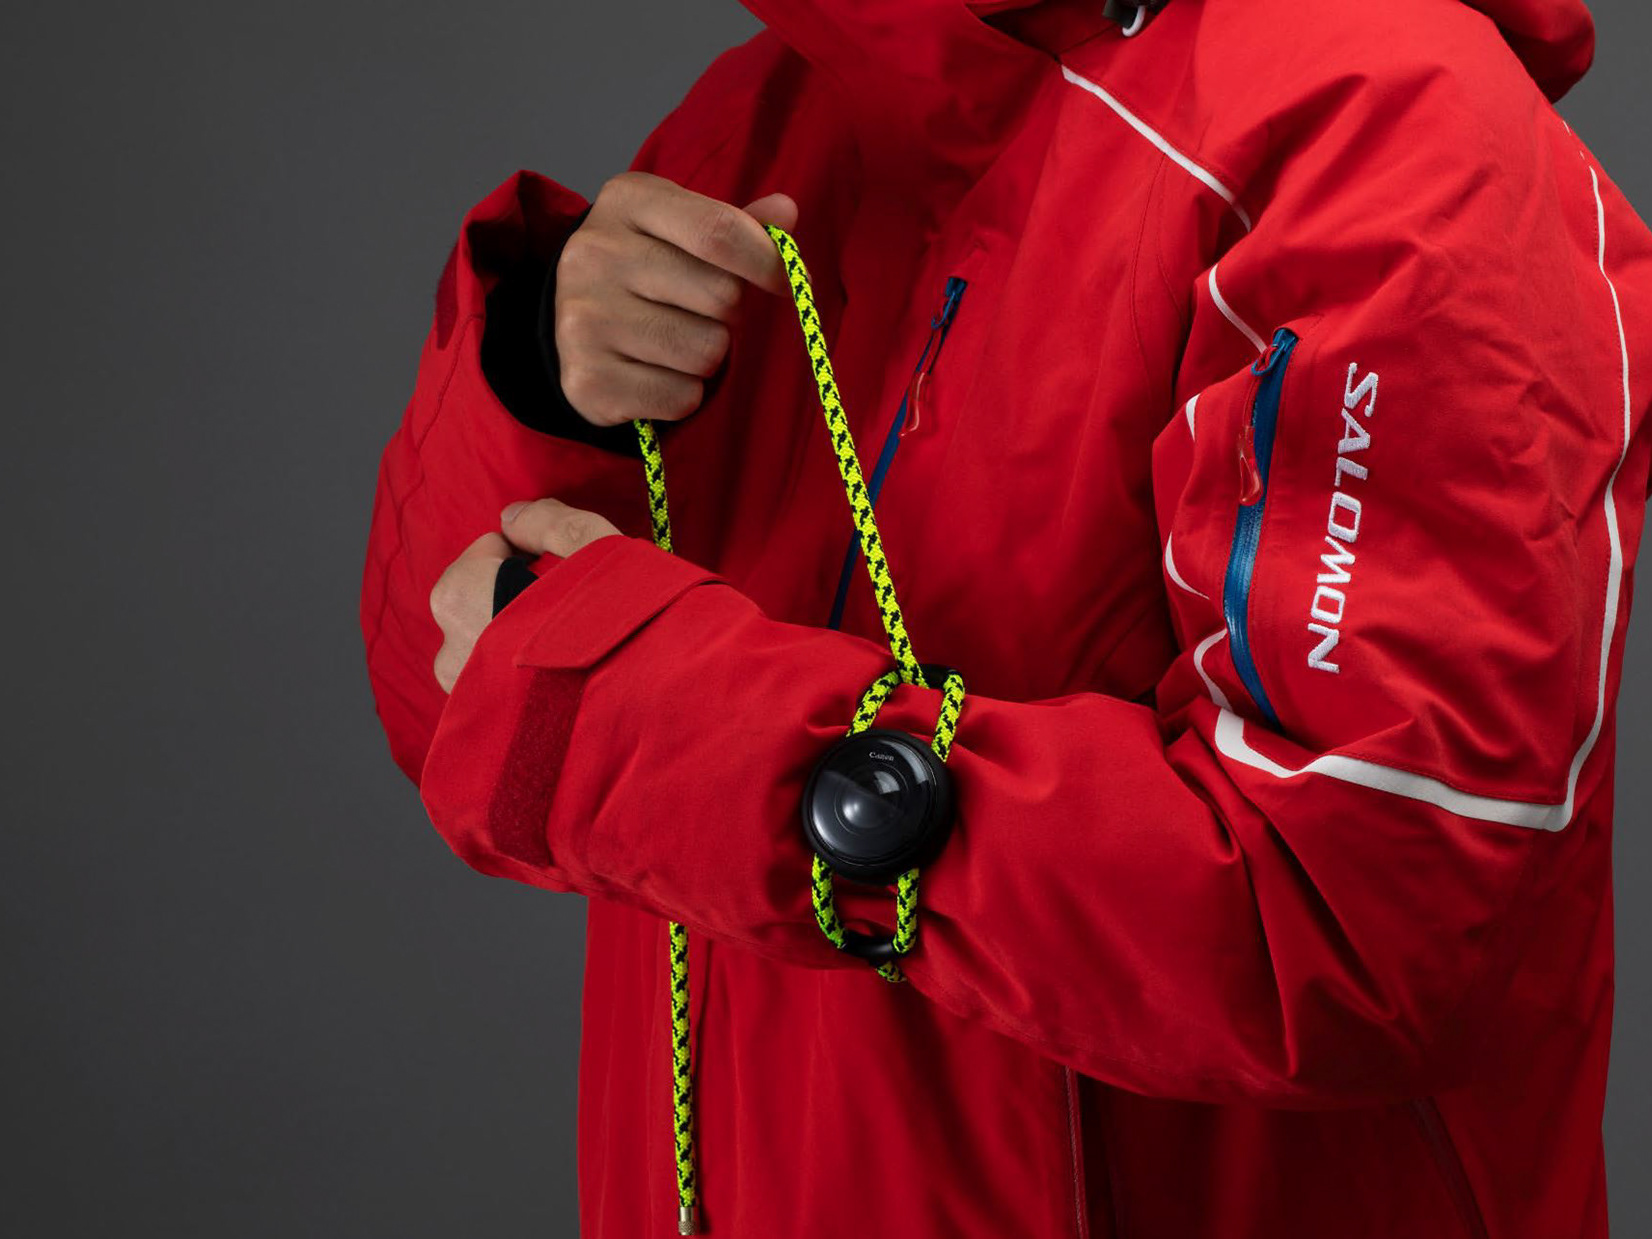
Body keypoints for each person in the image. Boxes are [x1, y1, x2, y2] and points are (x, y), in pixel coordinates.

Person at [360, 0, 1652, 1234]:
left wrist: (682, 739)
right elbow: (465, 723)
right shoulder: (767, 123)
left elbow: (1353, 923)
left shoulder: (1383, 123)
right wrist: (540, 385)